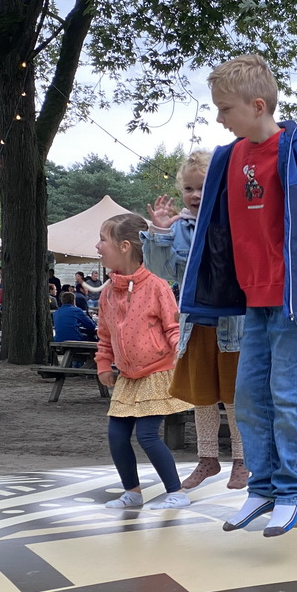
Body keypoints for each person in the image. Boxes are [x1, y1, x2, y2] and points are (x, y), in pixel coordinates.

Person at [179, 54, 297, 537]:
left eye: (225, 108)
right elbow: (214, 226)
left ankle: (290, 491)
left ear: (258, 105)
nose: (219, 118)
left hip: (296, 302)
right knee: (248, 397)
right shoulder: (228, 158)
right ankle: (262, 488)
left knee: (287, 396)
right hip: (250, 302)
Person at [143, 150, 248, 493]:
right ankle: (208, 459)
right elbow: (162, 271)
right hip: (196, 325)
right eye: (188, 188)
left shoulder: (234, 221)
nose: (195, 195)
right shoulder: (180, 230)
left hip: (232, 326)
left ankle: (242, 460)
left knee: (233, 397)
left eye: (203, 187)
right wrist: (159, 233)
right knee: (202, 395)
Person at [93, 214, 193, 510]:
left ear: (124, 246)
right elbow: (104, 333)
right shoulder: (109, 292)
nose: (97, 246)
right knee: (116, 435)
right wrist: (103, 363)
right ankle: (132, 491)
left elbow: (173, 327)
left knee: (148, 435)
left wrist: (182, 356)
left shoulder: (157, 285)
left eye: (102, 239)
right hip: (128, 377)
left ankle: (176, 492)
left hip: (157, 373)